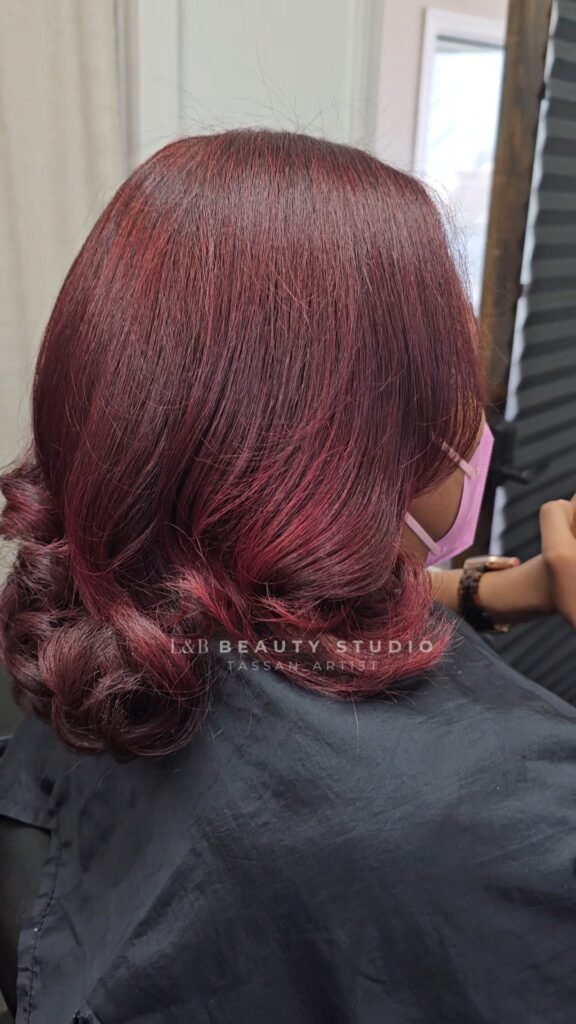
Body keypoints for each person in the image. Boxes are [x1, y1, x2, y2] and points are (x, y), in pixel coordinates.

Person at [0, 129, 575, 1024]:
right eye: (464, 379)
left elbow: (262, 607)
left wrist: (490, 589)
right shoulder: (525, 810)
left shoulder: (81, 616)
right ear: (364, 436)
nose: (479, 420)